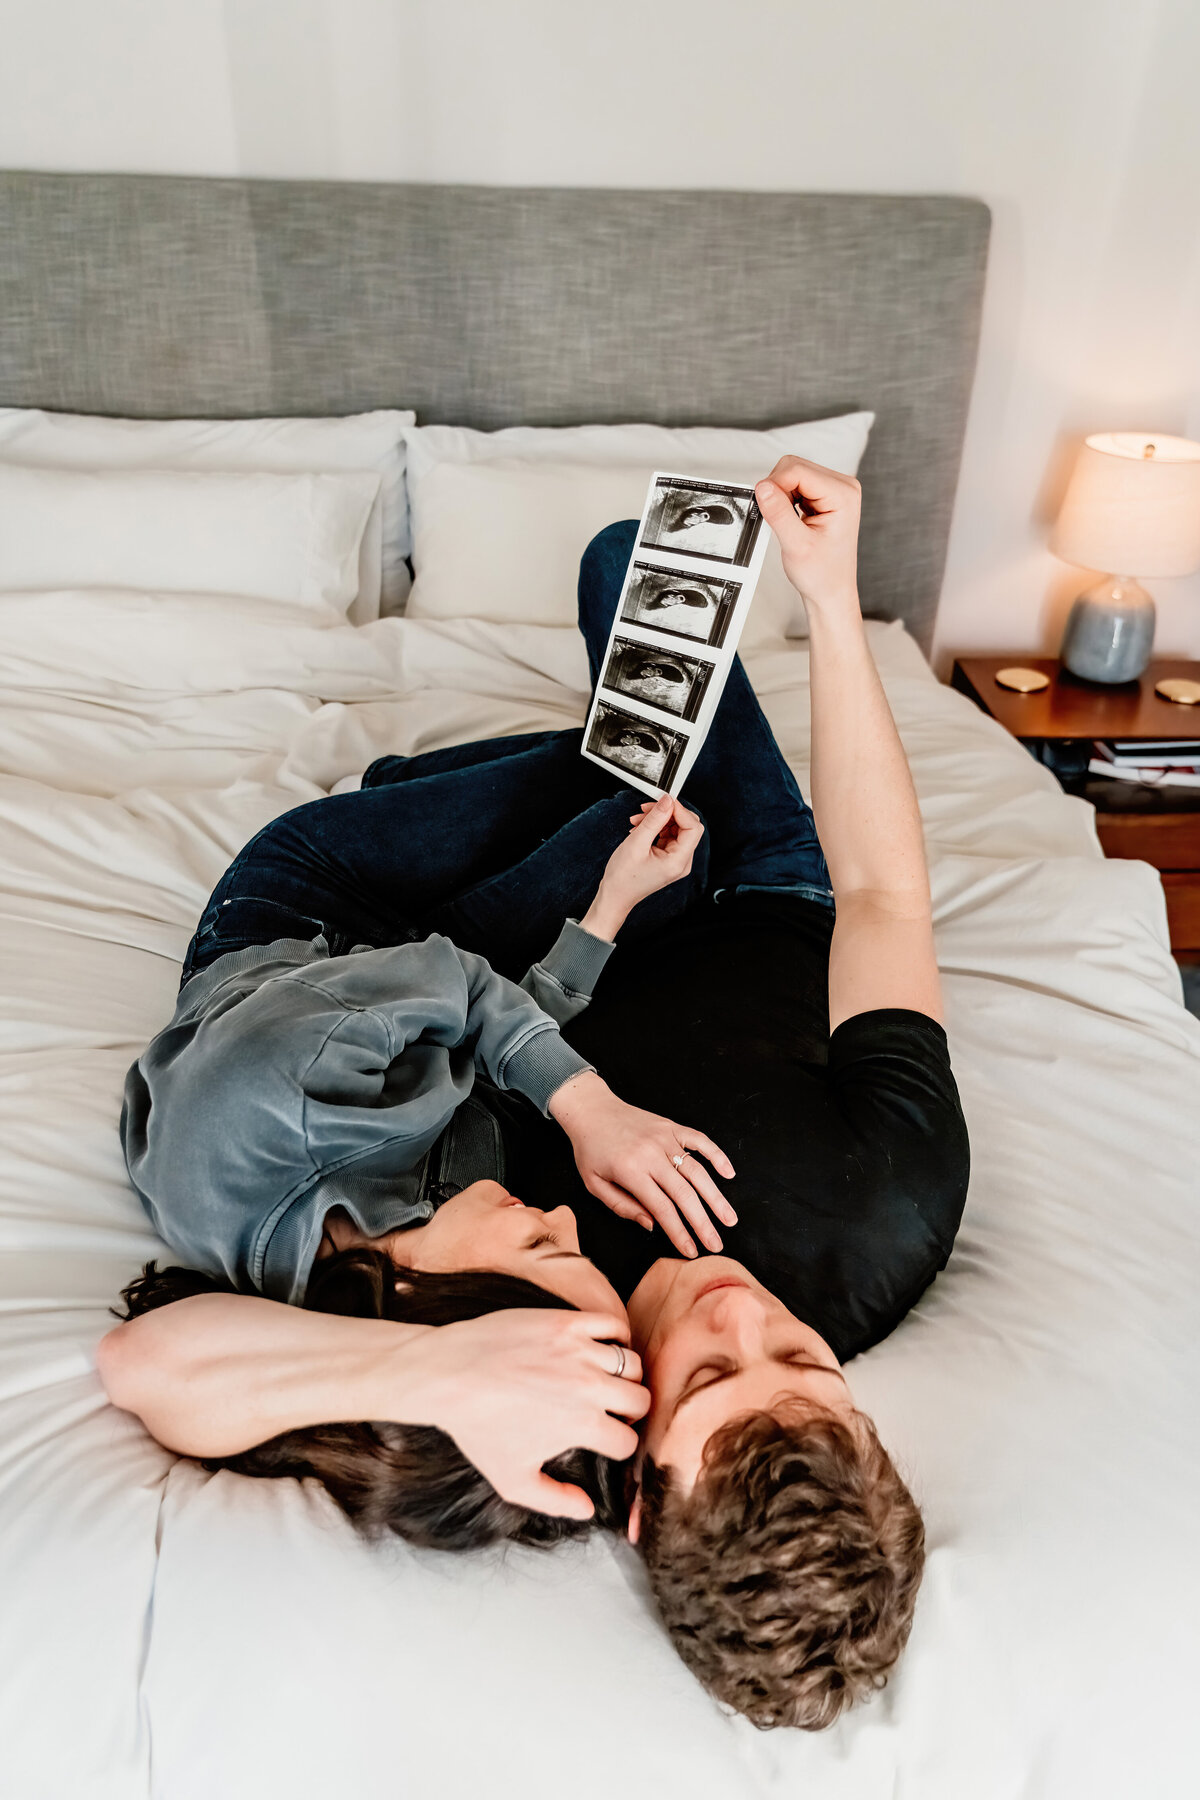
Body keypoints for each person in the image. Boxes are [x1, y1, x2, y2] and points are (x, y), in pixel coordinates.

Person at [101, 456, 969, 1729]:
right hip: (756, 894)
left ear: (631, 1482)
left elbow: (159, 1361)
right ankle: (497, 797)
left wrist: (437, 1376)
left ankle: (466, 803)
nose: (738, 1310)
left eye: (709, 1376)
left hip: (515, 955)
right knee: (632, 560)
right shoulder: (885, 1215)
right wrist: (835, 604)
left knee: (616, 770)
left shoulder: (523, 1308)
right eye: (798, 1354)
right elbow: (887, 900)